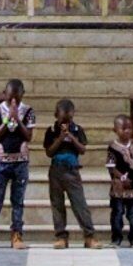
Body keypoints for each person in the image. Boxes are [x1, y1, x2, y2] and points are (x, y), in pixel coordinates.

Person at [0, 80, 34, 246]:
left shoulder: (27, 111)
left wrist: (17, 119)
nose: (14, 101)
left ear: (22, 94)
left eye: (17, 98)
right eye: (10, 97)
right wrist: (7, 119)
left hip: (20, 161)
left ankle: (17, 234)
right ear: (4, 94)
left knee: (18, 200)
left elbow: (28, 136)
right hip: (1, 162)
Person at [43, 98, 95, 247]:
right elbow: (49, 152)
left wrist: (71, 137)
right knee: (57, 205)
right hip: (56, 171)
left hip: (72, 171)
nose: (66, 122)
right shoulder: (51, 131)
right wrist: (60, 137)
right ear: (56, 115)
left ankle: (89, 235)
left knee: (79, 204)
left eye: (69, 119)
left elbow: (82, 149)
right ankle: (61, 236)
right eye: (63, 119)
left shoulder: (78, 130)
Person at [105, 116, 133, 244]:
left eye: (130, 128)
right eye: (123, 128)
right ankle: (116, 238)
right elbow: (111, 167)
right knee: (117, 214)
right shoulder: (112, 147)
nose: (127, 131)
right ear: (115, 130)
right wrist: (122, 177)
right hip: (119, 187)